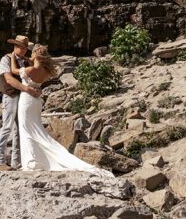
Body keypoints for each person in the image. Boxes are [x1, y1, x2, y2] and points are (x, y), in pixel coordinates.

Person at [11, 44, 112, 175]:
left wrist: (13, 56)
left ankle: (31, 161)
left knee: (27, 130)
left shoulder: (30, 70)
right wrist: (28, 57)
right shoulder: (45, 70)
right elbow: (33, 63)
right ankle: (35, 159)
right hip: (36, 102)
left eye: (32, 54)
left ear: (35, 55)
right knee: (37, 129)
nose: (30, 55)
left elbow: (14, 70)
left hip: (27, 101)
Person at [0, 35, 40, 171]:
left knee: (19, 129)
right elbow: (9, 79)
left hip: (23, 98)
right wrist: (28, 89)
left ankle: (16, 162)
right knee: (7, 127)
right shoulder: (5, 59)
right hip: (11, 96)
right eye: (22, 47)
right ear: (16, 46)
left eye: (26, 48)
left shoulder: (25, 61)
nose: (25, 50)